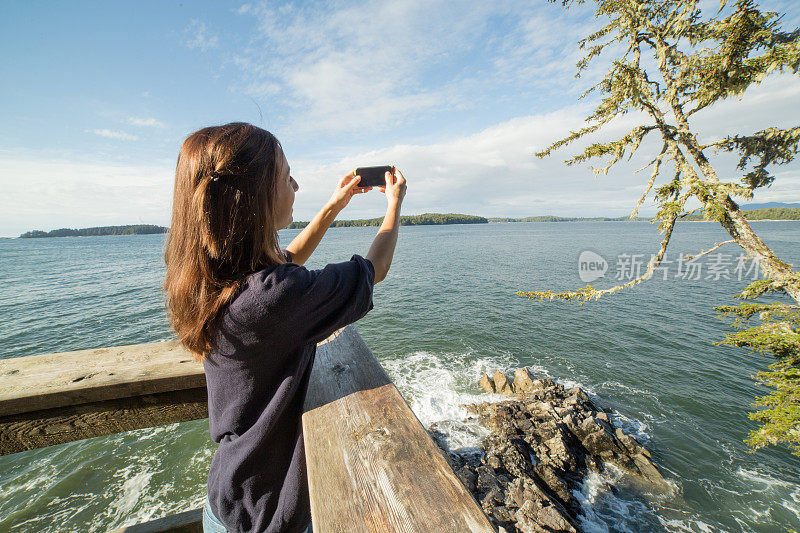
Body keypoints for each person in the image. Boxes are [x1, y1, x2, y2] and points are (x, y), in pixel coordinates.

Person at [163, 122, 406, 532]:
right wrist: (394, 204)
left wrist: (334, 205)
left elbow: (287, 261)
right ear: (255, 193)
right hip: (270, 514)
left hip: (227, 500)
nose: (295, 184)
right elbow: (374, 269)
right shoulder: (272, 298)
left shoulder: (214, 277)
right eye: (286, 176)